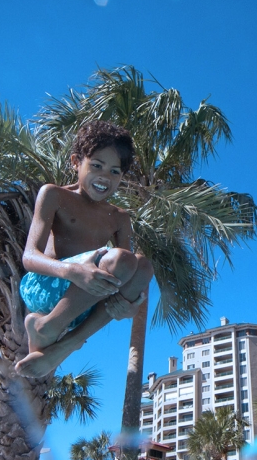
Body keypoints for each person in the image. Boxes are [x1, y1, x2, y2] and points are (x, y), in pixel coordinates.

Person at [14, 121, 153, 379]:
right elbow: (29, 257)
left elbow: (127, 276)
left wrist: (130, 307)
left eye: (114, 171)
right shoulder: (54, 195)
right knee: (121, 258)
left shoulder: (119, 217)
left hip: (84, 305)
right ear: (76, 161)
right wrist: (72, 272)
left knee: (142, 265)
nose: (104, 177)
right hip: (46, 285)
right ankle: (49, 327)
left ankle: (63, 346)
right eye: (97, 166)